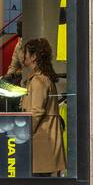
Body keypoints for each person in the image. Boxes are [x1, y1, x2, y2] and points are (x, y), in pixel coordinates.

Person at [17, 38, 66, 177]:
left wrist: (24, 134)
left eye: (25, 52)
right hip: (44, 139)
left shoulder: (39, 81)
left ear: (33, 57)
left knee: (41, 182)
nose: (22, 56)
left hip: (42, 140)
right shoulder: (40, 78)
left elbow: (36, 112)